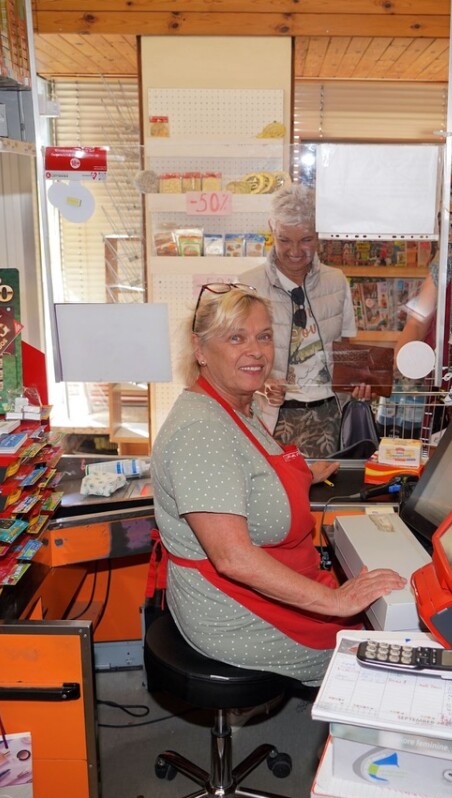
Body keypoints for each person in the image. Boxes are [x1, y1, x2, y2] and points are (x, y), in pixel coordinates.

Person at [151, 283, 406, 685]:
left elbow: (248, 471)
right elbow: (233, 558)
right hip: (233, 614)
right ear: (200, 349)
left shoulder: (237, 406)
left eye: (264, 336)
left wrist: (303, 473)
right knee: (381, 653)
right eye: (236, 338)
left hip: (250, 593)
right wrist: (336, 600)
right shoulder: (201, 430)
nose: (256, 351)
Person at [241, 184, 367, 458]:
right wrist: (262, 384)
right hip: (271, 416)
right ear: (272, 229)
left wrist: (360, 381)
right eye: (284, 240)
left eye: (306, 239)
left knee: (327, 482)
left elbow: (346, 344)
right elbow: (233, 357)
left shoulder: (336, 281)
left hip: (330, 412)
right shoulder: (249, 285)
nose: (295, 251)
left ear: (319, 234)